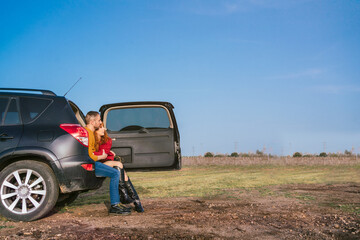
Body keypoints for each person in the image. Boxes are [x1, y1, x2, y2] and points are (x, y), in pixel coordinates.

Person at [84, 111, 131, 215]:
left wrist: (107, 153)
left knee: (116, 171)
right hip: (92, 163)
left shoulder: (89, 132)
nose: (100, 122)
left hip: (94, 162)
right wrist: (102, 156)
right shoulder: (88, 133)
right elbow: (90, 155)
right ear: (92, 122)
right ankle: (115, 205)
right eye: (99, 120)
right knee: (115, 173)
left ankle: (118, 203)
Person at [93, 123, 144, 213]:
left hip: (104, 161)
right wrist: (105, 154)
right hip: (98, 162)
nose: (104, 129)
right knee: (120, 168)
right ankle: (136, 201)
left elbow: (102, 154)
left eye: (103, 127)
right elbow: (100, 154)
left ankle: (128, 197)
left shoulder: (107, 140)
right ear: (95, 129)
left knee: (121, 169)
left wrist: (106, 154)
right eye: (101, 127)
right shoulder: (91, 140)